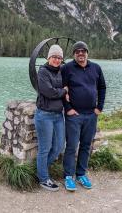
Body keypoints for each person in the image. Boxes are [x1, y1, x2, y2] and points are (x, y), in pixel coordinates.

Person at [61, 41, 106, 191]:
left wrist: (99, 107)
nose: (80, 53)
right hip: (74, 115)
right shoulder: (67, 68)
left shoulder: (96, 68)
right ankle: (68, 176)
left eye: (83, 51)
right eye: (77, 51)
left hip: (91, 115)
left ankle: (81, 173)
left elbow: (102, 87)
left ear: (87, 53)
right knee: (72, 146)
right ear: (74, 54)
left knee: (86, 146)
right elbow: (63, 89)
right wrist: (68, 108)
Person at [35, 44, 68, 191]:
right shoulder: (42, 72)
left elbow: (68, 86)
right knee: (45, 148)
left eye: (59, 57)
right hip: (45, 115)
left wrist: (63, 90)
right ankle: (43, 178)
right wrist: (63, 91)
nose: (57, 60)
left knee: (59, 146)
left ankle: (41, 170)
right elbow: (49, 92)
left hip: (58, 115)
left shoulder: (62, 71)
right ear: (49, 58)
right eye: (54, 57)